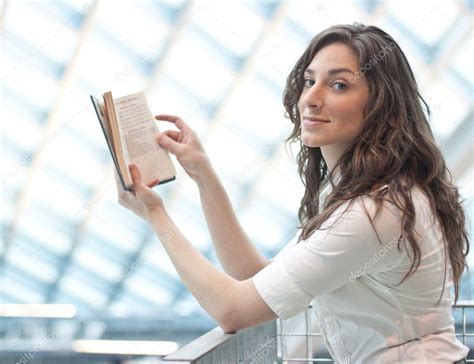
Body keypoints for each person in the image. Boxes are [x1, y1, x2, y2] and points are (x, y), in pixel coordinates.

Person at [115, 23, 470, 363]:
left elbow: (232, 311)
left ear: (382, 105)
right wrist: (203, 175)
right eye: (309, 81)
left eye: (339, 86)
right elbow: (252, 276)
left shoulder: (375, 212)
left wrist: (155, 216)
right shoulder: (359, 193)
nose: (310, 99)